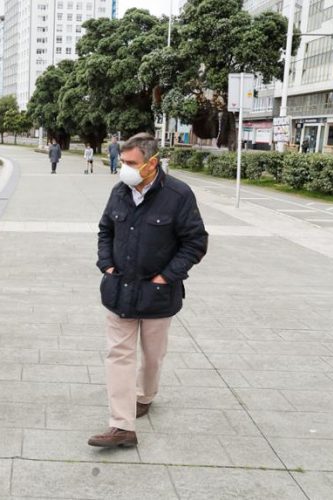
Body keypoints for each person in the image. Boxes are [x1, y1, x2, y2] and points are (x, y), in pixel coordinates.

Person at [89, 132, 208, 449]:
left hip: (157, 295)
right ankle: (121, 425)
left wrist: (165, 278)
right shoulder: (120, 191)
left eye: (130, 163)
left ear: (152, 163)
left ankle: (146, 395)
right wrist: (107, 265)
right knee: (119, 355)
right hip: (119, 291)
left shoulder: (179, 195)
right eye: (122, 161)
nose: (123, 168)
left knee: (152, 357)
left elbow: (195, 242)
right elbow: (105, 230)